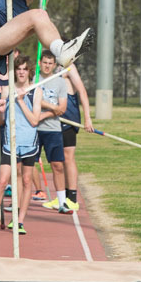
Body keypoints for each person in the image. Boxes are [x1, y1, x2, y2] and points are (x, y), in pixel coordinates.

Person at [0, 56, 47, 236]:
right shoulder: (7, 90)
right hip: (10, 142)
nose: (21, 72)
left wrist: (19, 101)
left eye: (25, 69)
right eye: (18, 69)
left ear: (29, 71)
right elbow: (2, 121)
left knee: (26, 181)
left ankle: (19, 221)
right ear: (14, 71)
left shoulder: (36, 91)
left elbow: (34, 121)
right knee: (2, 181)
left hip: (29, 143)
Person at [45, 62, 92, 214]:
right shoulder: (51, 65)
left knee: (68, 157)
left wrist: (87, 118)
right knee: (58, 160)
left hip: (69, 118)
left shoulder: (69, 67)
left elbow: (82, 91)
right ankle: (62, 197)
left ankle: (72, 199)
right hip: (54, 120)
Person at [30, 50, 70, 210]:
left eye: (50, 63)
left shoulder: (60, 82)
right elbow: (32, 100)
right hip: (33, 128)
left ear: (54, 65)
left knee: (57, 165)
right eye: (44, 63)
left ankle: (62, 202)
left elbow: (62, 109)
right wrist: (51, 106)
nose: (47, 66)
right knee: (26, 165)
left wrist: (43, 113)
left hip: (53, 129)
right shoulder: (33, 79)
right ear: (40, 63)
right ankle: (18, 202)